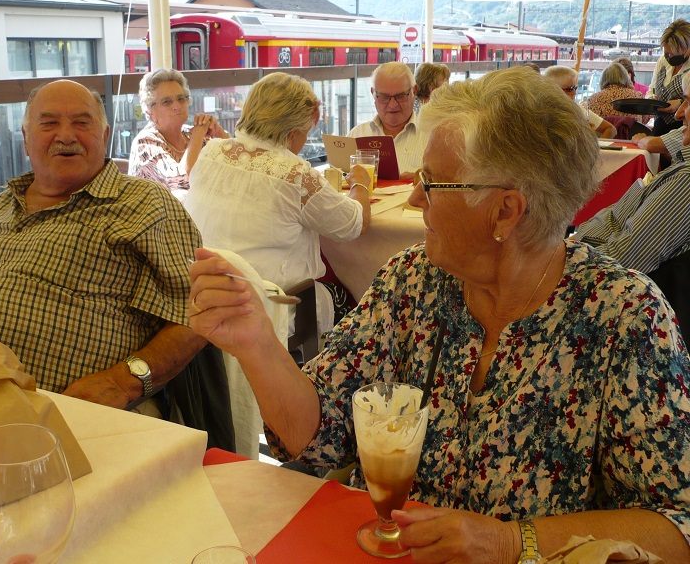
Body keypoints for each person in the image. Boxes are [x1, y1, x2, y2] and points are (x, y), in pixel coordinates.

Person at [187, 67, 690, 562]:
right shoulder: (412, 280)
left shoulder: (625, 317)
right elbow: (313, 437)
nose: (416, 197)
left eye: (432, 182)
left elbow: (676, 523)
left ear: (505, 211)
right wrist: (258, 342)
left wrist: (510, 542)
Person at [0, 80, 208, 412]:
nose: (66, 135)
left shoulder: (144, 205)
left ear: (105, 136)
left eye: (82, 123)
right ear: (25, 139)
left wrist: (123, 381)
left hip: (53, 419)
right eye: (49, 123)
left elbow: (197, 312)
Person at [184, 72, 371, 336]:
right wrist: (361, 183)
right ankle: (316, 372)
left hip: (205, 296)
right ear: (293, 132)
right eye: (306, 133)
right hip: (268, 305)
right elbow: (354, 224)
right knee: (351, 295)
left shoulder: (212, 151)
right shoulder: (295, 174)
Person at [575, 75, 690, 276]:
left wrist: (558, 258)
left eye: (688, 102)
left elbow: (619, 262)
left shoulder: (685, 181)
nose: (679, 113)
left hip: (587, 271)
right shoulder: (682, 168)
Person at [128, 68, 228, 193]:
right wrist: (197, 135)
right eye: (167, 102)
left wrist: (218, 132)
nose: (177, 106)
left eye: (181, 99)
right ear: (150, 111)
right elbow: (182, 182)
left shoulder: (189, 134)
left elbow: (237, 162)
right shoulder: (145, 143)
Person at [349, 62, 423, 180]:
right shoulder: (356, 135)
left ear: (414, 91)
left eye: (400, 96)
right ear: (373, 93)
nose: (392, 105)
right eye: (384, 97)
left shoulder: (433, 136)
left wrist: (424, 180)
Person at [543, 65, 617, 138]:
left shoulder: (576, 109)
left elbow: (611, 129)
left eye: (575, 88)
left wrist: (595, 147)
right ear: (553, 89)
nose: (574, 93)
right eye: (570, 89)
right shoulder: (539, 111)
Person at [634, 72, 690, 167]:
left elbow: (650, 144)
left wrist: (640, 139)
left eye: (688, 102)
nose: (677, 115)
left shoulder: (684, 132)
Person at [647, 19, 690, 136]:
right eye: (667, 53)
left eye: (673, 53)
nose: (669, 57)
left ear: (687, 48)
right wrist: (652, 99)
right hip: (659, 125)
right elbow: (652, 89)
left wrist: (680, 103)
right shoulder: (663, 61)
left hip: (683, 129)